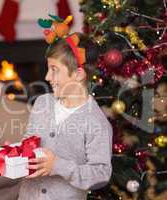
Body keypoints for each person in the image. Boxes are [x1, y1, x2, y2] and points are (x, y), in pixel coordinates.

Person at [18, 17, 113, 200]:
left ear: (78, 74)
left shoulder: (95, 123)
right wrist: (15, 152)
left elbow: (101, 174)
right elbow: (29, 141)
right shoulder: (42, 104)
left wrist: (58, 166)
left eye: (54, 69)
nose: (46, 76)